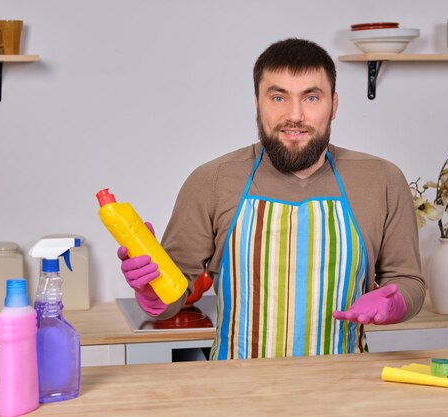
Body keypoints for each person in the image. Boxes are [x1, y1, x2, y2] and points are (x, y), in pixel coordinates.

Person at [118, 38, 425, 360]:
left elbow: (409, 280)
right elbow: (172, 298)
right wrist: (151, 291)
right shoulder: (211, 181)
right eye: (278, 97)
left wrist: (397, 301)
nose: (295, 115)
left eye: (311, 97)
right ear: (257, 103)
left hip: (344, 387)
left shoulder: (381, 180)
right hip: (236, 389)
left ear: (334, 105)